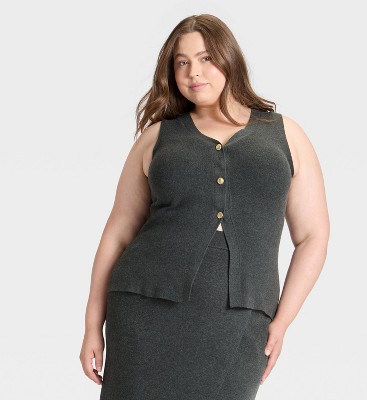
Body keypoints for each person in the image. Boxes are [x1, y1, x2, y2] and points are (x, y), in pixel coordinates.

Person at [79, 13, 330, 400]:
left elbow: (313, 236)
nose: (193, 72)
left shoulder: (285, 134)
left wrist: (282, 322)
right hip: (143, 308)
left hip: (242, 313)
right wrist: (92, 325)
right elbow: (118, 233)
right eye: (182, 62)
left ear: (230, 58)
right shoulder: (156, 138)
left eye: (206, 58)